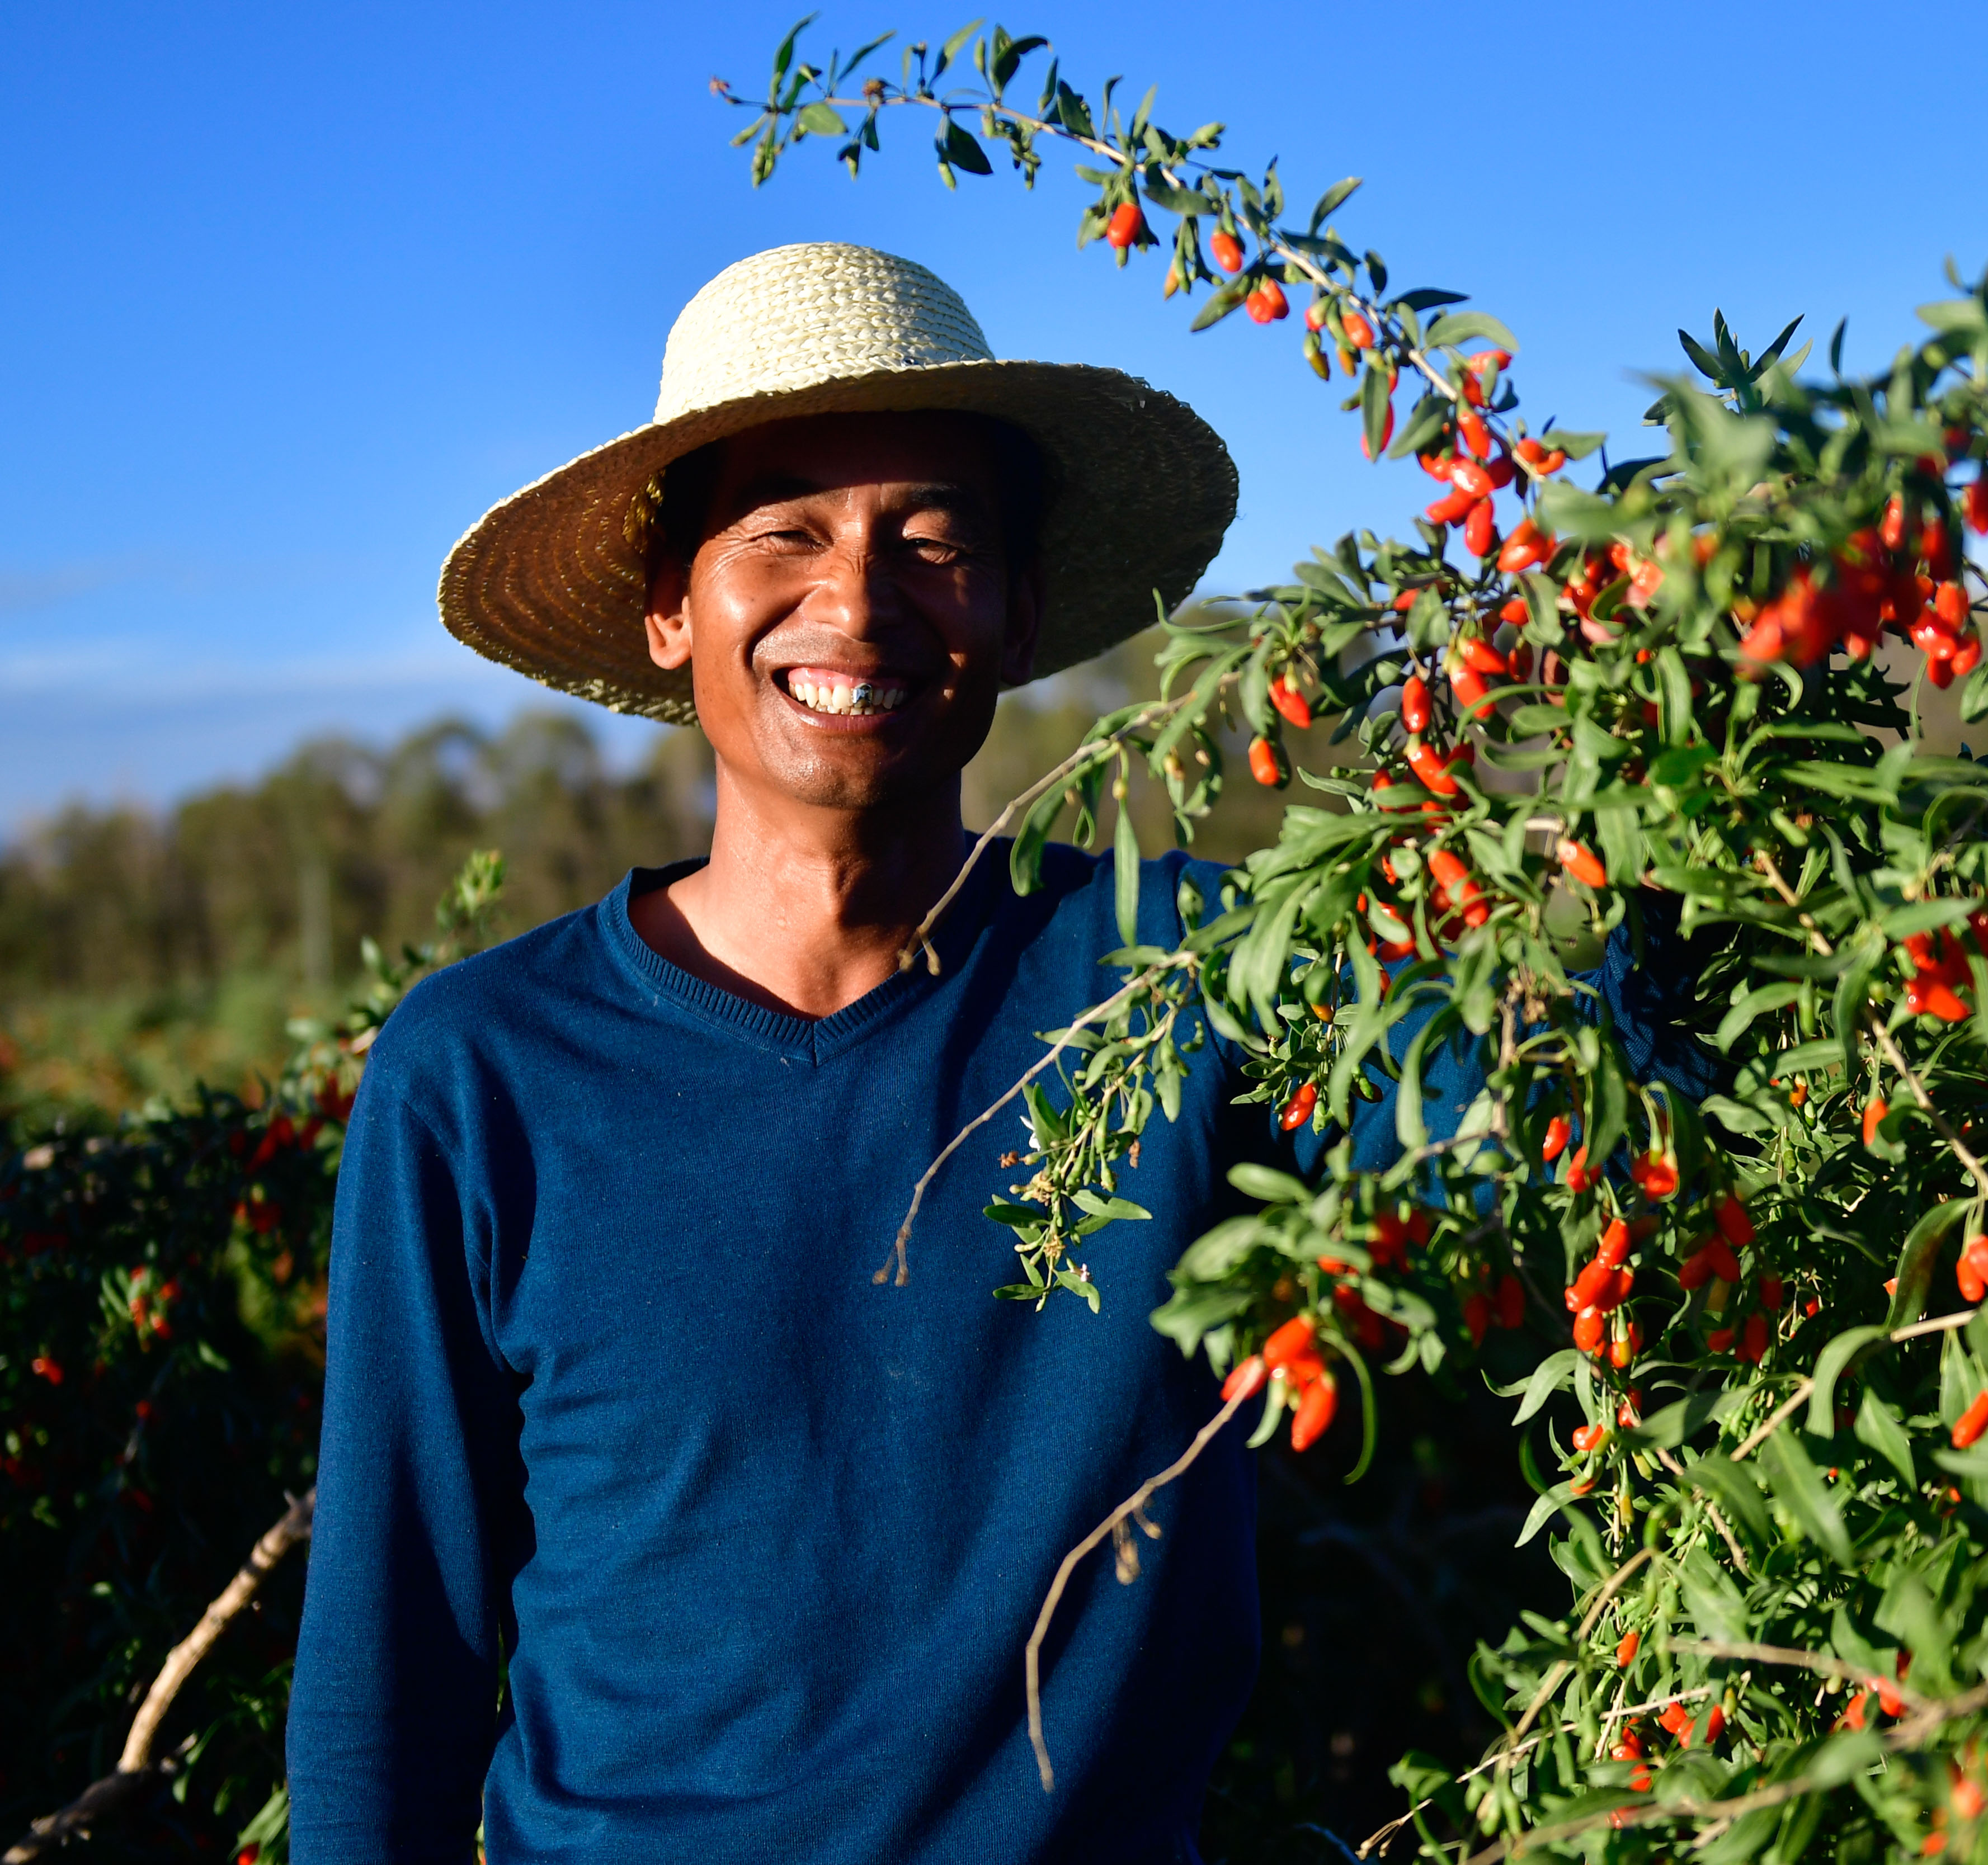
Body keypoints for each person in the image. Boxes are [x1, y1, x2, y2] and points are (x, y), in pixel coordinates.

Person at [286, 243, 1707, 1863]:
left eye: (934, 540)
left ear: (1018, 613)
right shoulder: (483, 1073)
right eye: (784, 534)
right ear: (674, 608)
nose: (858, 600)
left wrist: (1677, 799)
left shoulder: (1196, 973)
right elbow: (391, 1650)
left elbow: (1582, 1145)